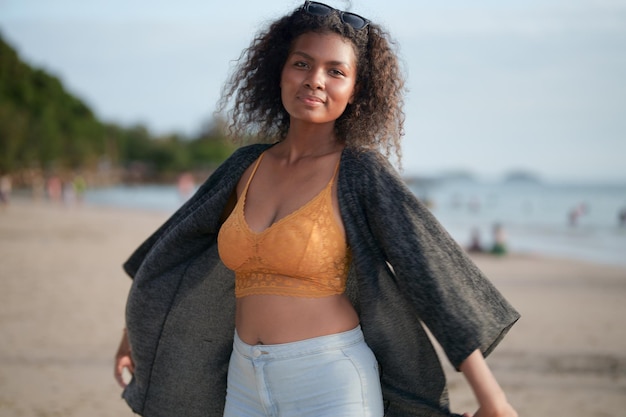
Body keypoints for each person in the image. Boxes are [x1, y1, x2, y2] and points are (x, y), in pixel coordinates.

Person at [114, 2, 520, 417]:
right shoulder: (244, 166)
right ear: (280, 70)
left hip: (330, 384)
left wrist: (493, 400)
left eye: (336, 71)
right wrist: (136, 334)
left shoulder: (360, 172)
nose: (315, 81)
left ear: (357, 89)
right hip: (243, 382)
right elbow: (174, 250)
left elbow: (430, 273)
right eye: (302, 64)